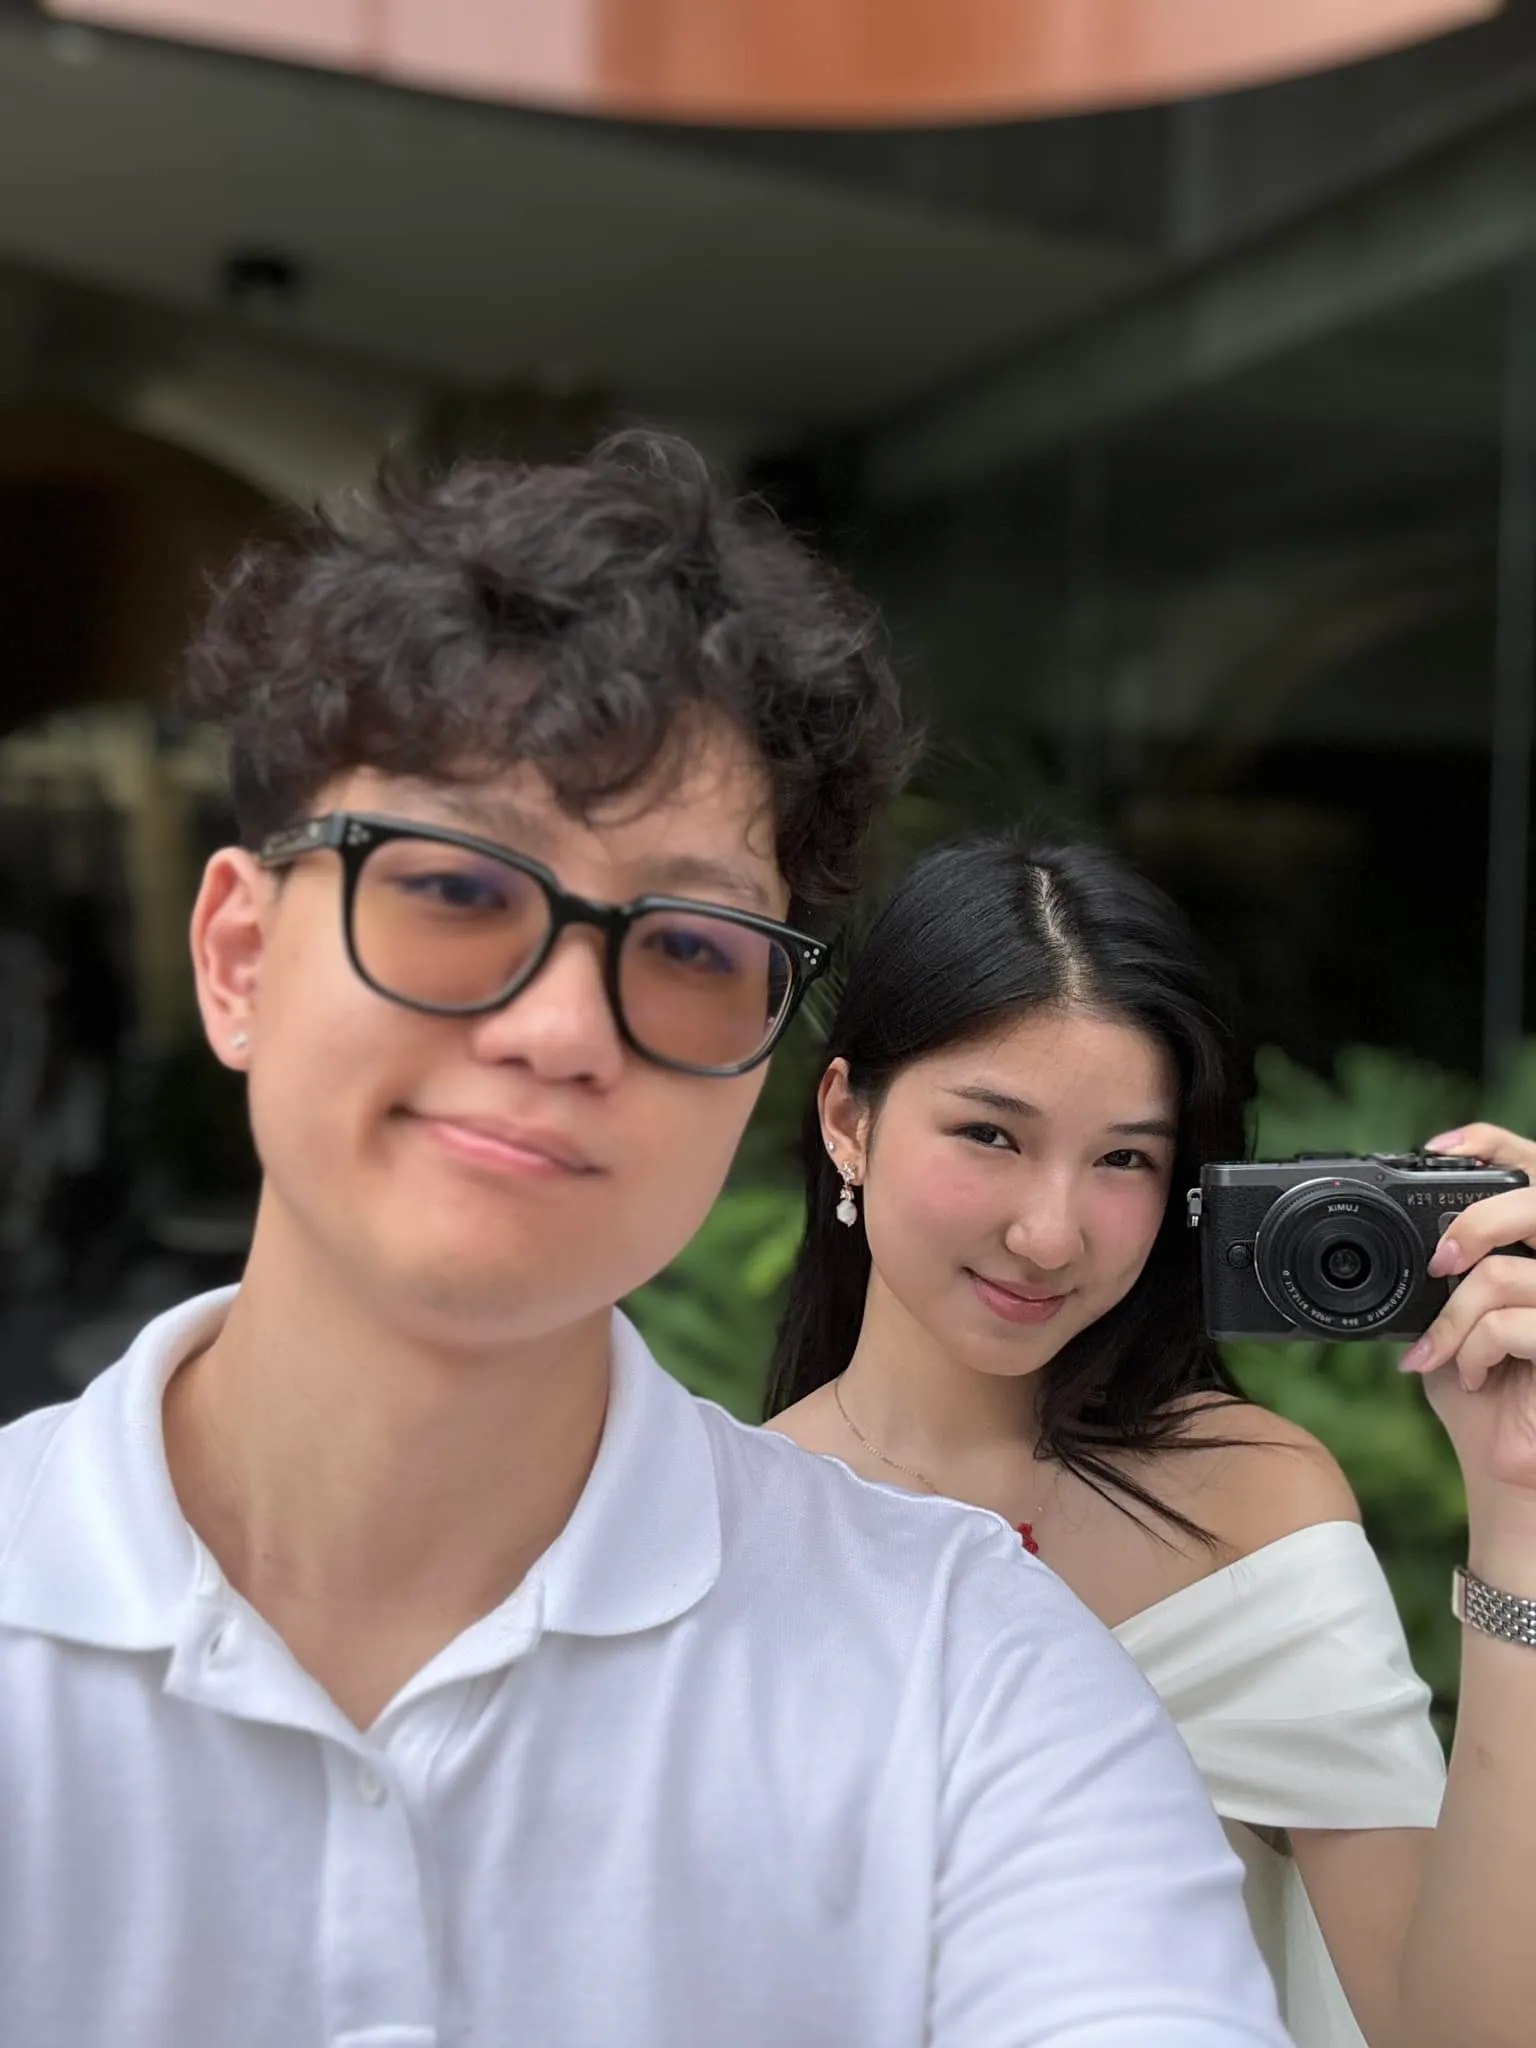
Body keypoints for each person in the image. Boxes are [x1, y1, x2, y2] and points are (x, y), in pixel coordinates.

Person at [0, 438, 1287, 2048]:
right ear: (240, 958)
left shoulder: (967, 1674)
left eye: (686, 944)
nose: (560, 1028)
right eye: (455, 888)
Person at [766, 830, 1536, 2048]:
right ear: (847, 1119)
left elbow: (1461, 2031)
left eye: (1124, 1157)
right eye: (991, 1133)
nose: (1051, 1232)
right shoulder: (724, 1522)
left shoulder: (1249, 1508)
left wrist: (1518, 1513)